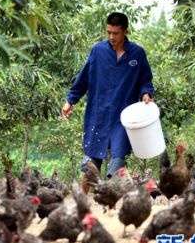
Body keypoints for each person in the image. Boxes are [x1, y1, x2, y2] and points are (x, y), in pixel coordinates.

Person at [61, 12, 154, 193]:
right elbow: (83, 79)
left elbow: (146, 80)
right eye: (108, 32)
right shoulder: (98, 51)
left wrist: (146, 94)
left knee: (118, 158)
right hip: (98, 113)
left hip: (124, 116)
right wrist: (70, 100)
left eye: (116, 33)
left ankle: (111, 201)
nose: (111, 37)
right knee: (90, 162)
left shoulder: (137, 54)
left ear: (125, 31)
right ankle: (83, 201)